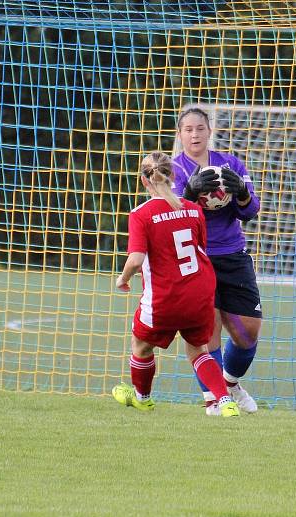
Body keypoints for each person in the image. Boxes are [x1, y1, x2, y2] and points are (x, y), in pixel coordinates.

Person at [112, 152, 240, 418]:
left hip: (165, 296)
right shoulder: (193, 209)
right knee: (198, 350)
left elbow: (136, 260)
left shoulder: (141, 214)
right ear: (173, 176)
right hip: (200, 293)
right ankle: (225, 401)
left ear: (144, 181)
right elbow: (201, 249)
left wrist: (123, 279)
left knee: (141, 345)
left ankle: (142, 398)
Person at [171, 107, 262, 416]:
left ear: (209, 131)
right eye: (188, 129)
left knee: (248, 332)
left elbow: (250, 212)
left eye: (200, 128)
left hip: (233, 256)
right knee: (205, 329)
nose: (195, 134)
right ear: (180, 134)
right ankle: (214, 398)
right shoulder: (175, 169)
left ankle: (231, 384)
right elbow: (173, 215)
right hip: (196, 258)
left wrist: (241, 195)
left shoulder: (231, 164)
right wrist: (188, 192)